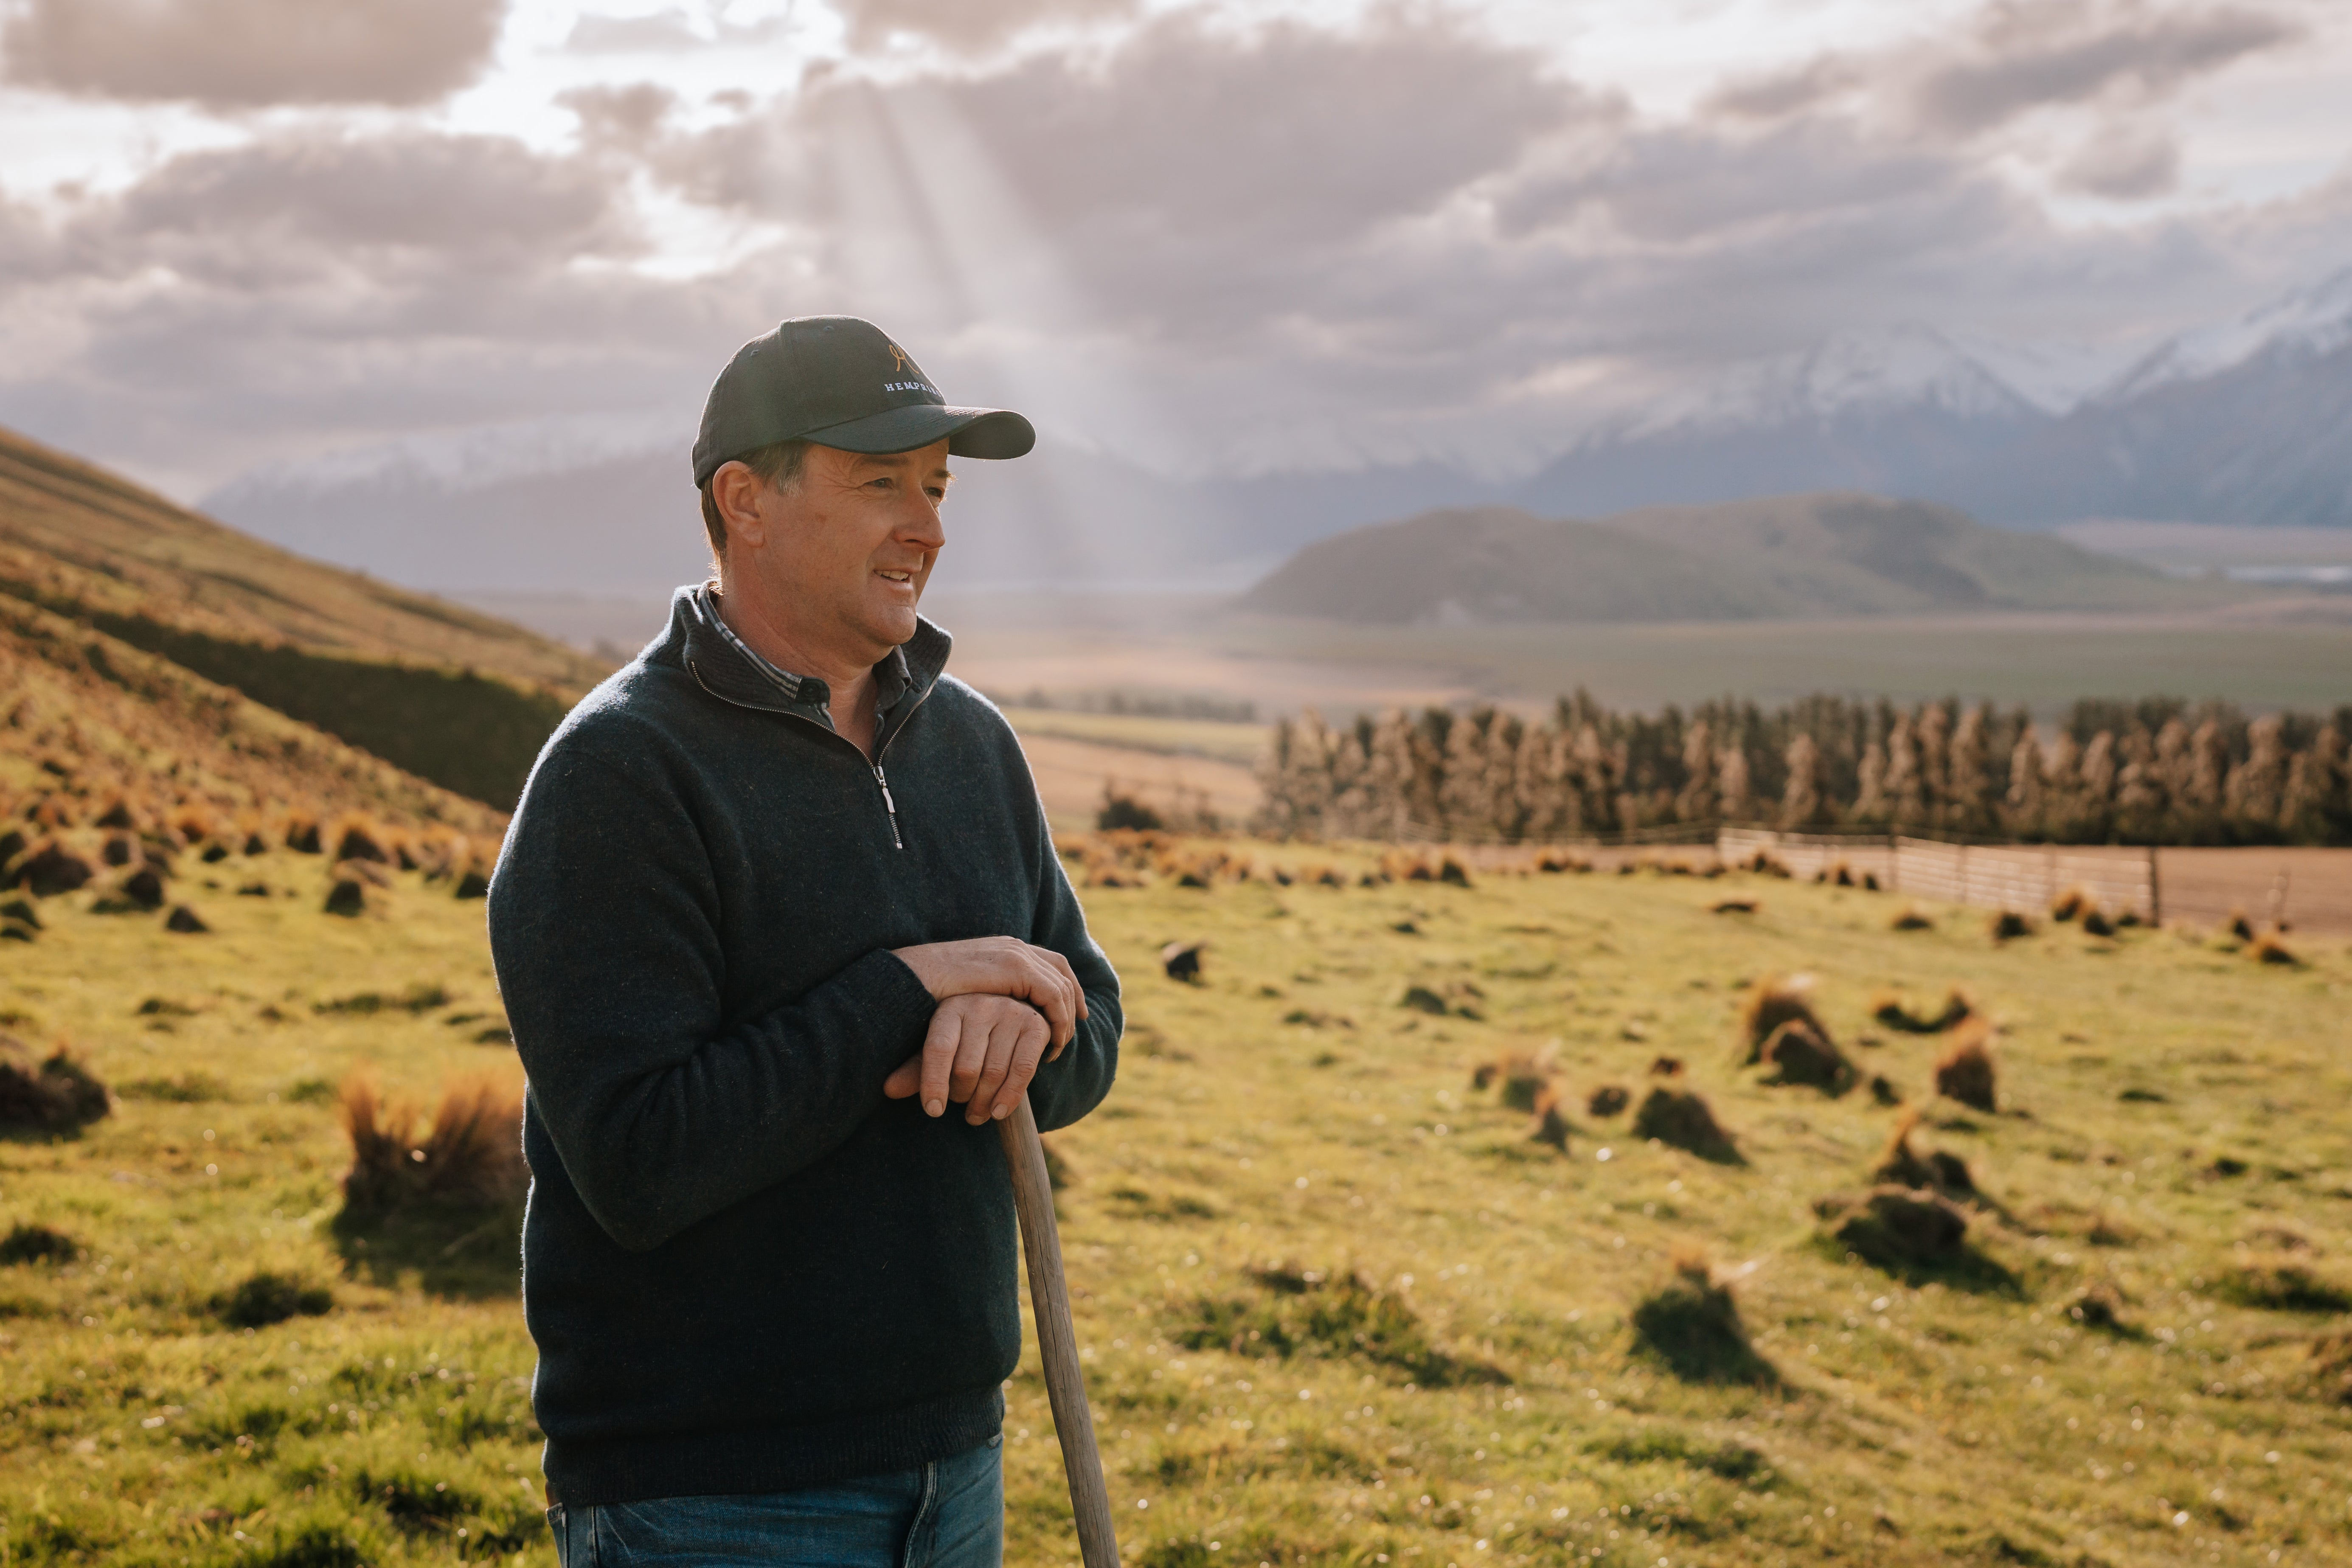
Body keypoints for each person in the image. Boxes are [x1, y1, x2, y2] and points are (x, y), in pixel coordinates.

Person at [488, 315, 1123, 1568]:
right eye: (881, 481)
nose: (929, 526)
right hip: (714, 1497)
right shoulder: (621, 773)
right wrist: (908, 993)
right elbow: (641, 1157)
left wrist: (1024, 1022)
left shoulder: (973, 747)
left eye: (937, 488)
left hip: (958, 1466)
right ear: (746, 502)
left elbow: (1089, 1022)